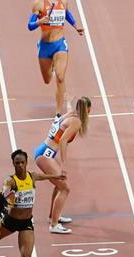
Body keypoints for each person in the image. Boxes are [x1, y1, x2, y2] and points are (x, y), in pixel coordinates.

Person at [1, 149, 51, 257]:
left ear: (26, 163)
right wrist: (9, 195)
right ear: (13, 164)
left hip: (26, 223)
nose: (20, 165)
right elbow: (5, 193)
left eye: (23, 162)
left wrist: (57, 176)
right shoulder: (11, 180)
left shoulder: (32, 176)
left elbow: (44, 176)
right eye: (17, 163)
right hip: (10, 221)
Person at [27, 0, 84, 117]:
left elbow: (67, 14)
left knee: (60, 77)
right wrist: (41, 21)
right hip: (45, 46)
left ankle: (58, 113)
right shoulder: (39, 4)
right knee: (47, 80)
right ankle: (47, 60)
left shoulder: (63, 2)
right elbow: (30, 26)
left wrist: (76, 26)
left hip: (60, 44)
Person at [33, 96, 91, 234]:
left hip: (44, 151)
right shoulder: (76, 122)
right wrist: (64, 164)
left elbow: (69, 110)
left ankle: (54, 216)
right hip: (45, 155)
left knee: (59, 185)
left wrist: (68, 101)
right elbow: (63, 141)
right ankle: (53, 225)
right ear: (88, 110)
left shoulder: (70, 114)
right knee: (65, 188)